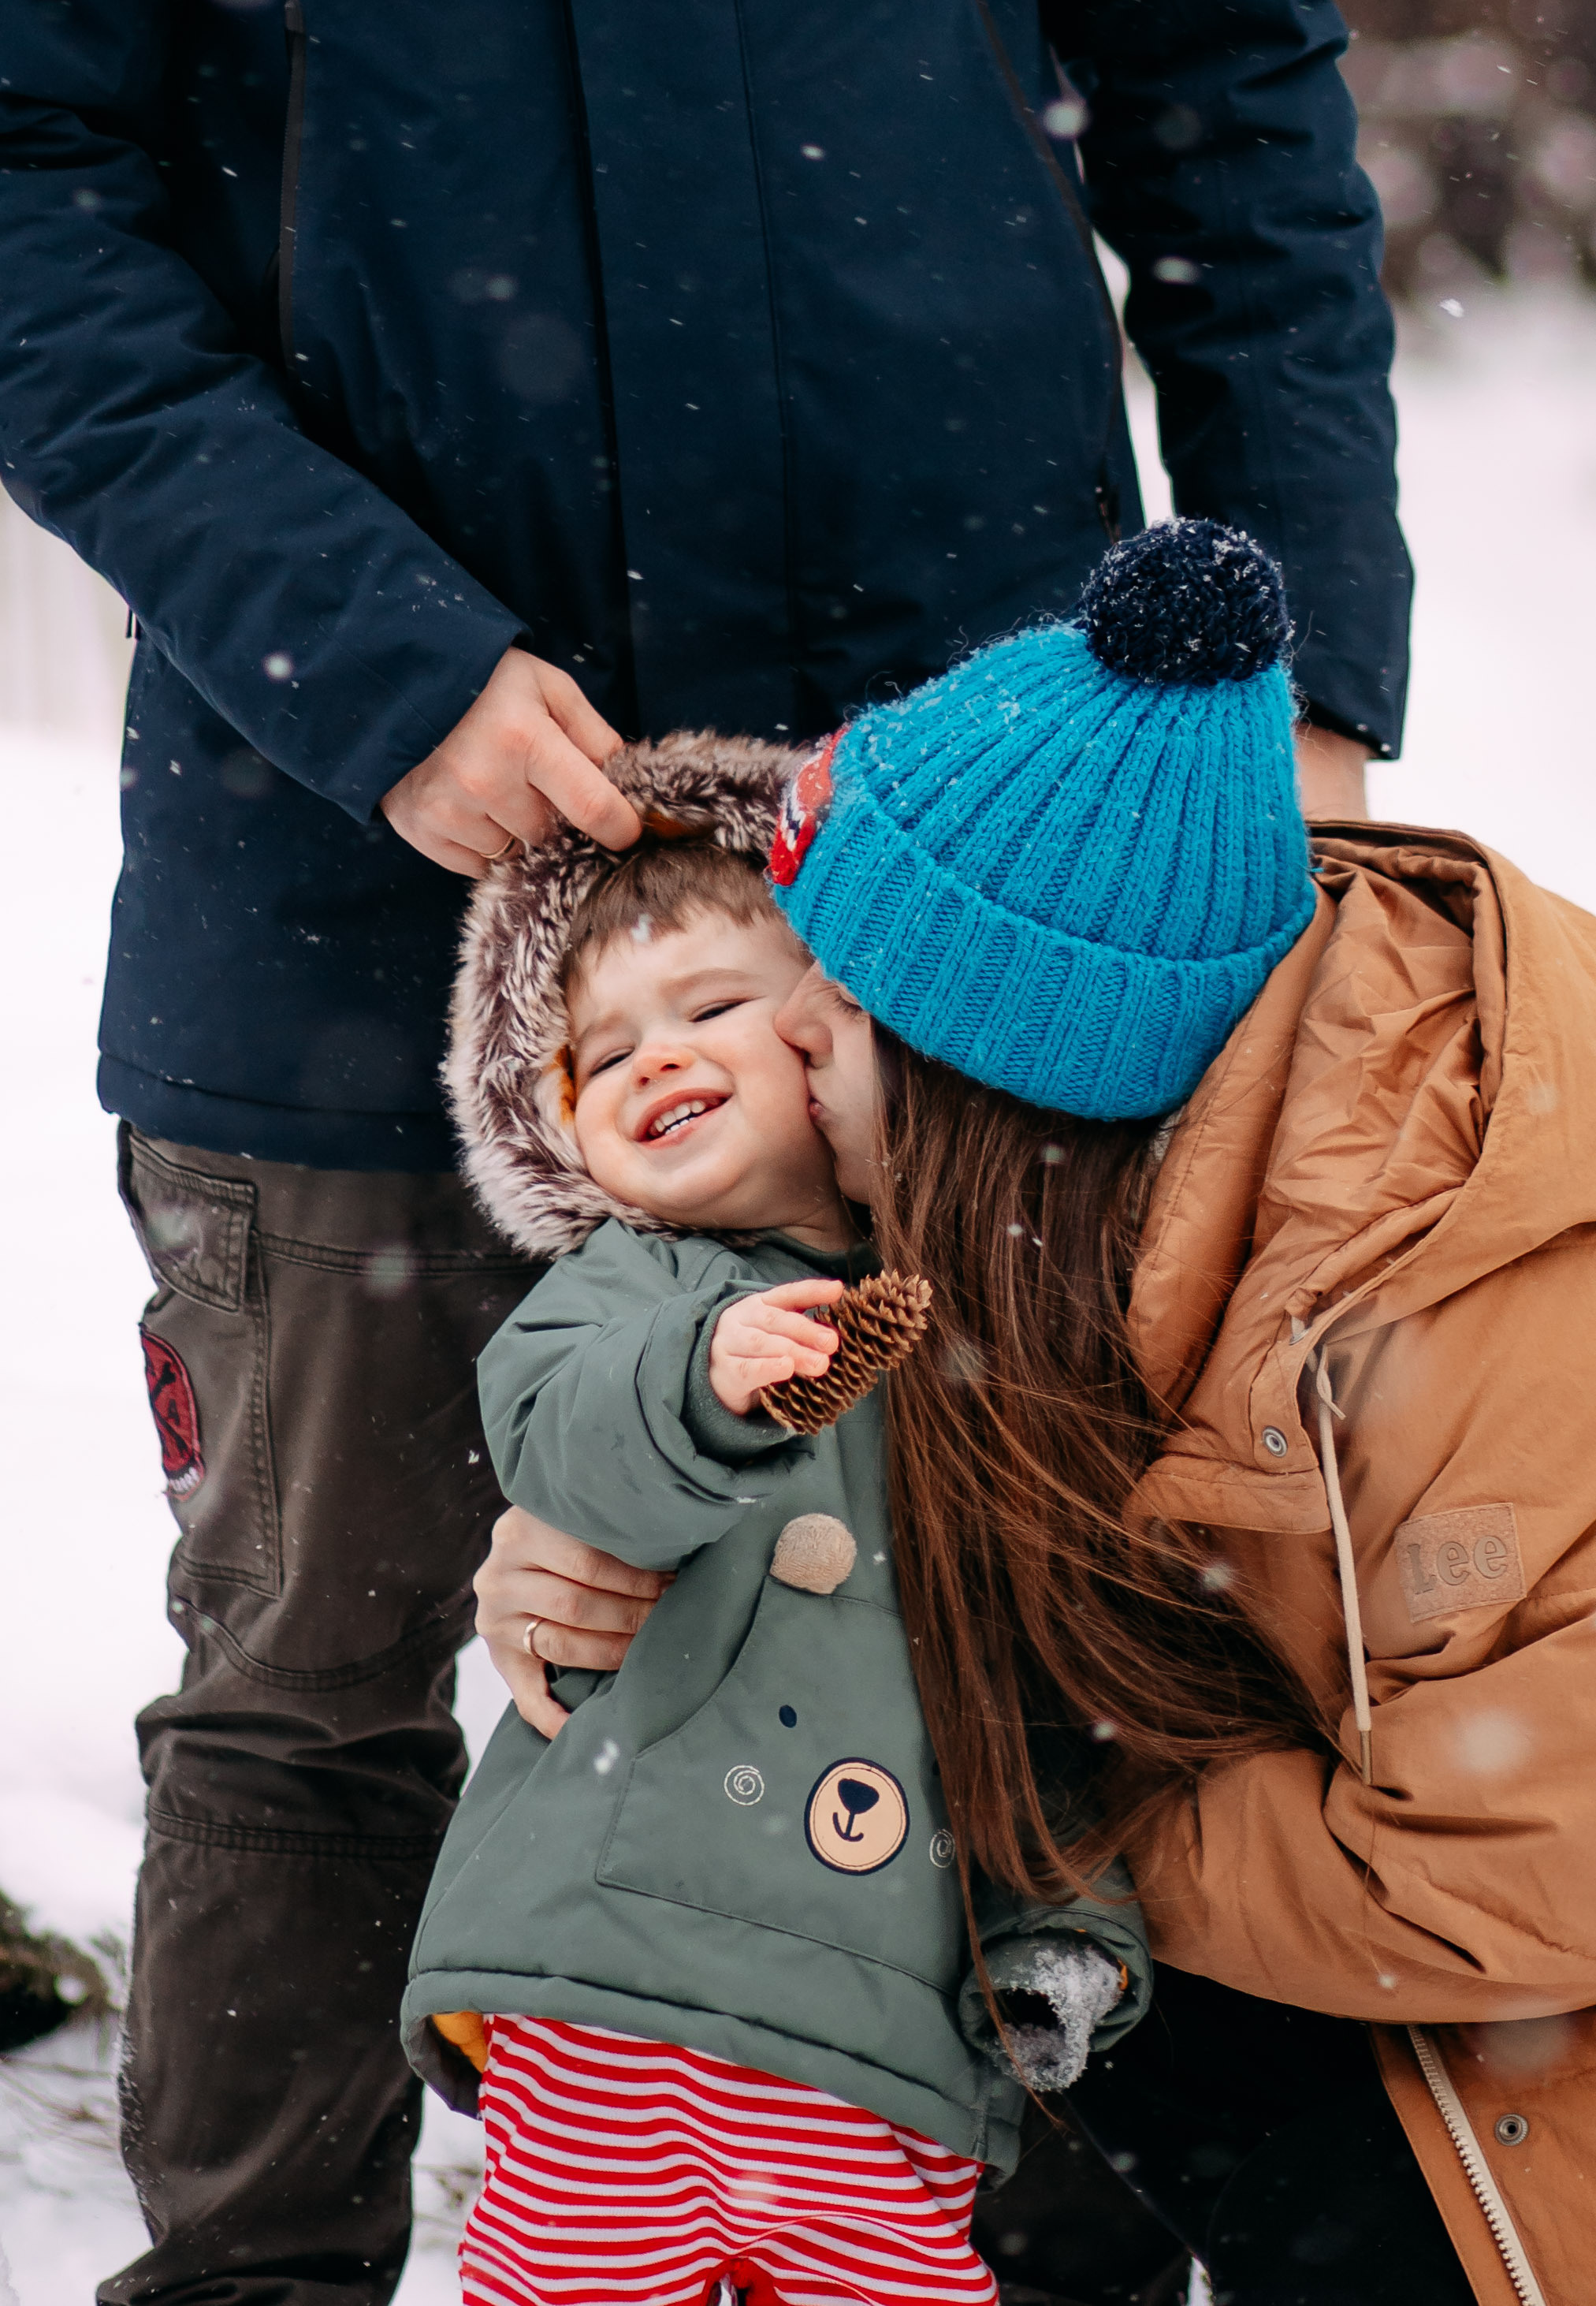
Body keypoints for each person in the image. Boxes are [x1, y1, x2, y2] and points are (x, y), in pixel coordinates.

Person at [0, 0, 1409, 2297]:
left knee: (1056, 1635)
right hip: (343, 865)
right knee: (309, 1684)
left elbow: (1233, 93)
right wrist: (368, 652)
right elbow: (29, 188)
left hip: (963, 838)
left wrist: (1302, 660)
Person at [476, 521, 1596, 2306]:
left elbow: (1511, 1882)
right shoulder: (1107, 1178)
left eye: (825, 1012)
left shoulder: (1474, 1309)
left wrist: (1034, 1844)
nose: (781, 1052)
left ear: (978, 1079)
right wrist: (614, 1511)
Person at [400, 757, 1151, 2303]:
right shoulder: (625, 1293)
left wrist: (1061, 1920)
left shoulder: (981, 1339)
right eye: (598, 1049)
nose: (648, 1058)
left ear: (830, 1026)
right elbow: (560, 1436)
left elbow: (1038, 1685)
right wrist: (702, 1382)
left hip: (880, 2056)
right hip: (609, 1995)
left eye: (705, 1008)